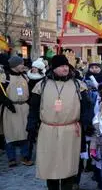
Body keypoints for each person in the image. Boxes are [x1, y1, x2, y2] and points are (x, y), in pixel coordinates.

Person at [27, 55, 93, 189]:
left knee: (69, 165)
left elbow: (86, 107)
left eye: (66, 65)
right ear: (54, 68)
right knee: (50, 164)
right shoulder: (42, 85)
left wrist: (87, 124)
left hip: (71, 131)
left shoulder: (78, 85)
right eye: (62, 66)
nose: (65, 68)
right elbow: (33, 108)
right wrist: (31, 125)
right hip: (48, 130)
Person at [2, 56, 32, 167]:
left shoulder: (25, 76)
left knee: (25, 133)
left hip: (24, 108)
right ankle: (11, 158)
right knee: (10, 134)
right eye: (21, 64)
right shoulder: (5, 77)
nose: (23, 65)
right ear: (14, 65)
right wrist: (8, 104)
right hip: (11, 109)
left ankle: (25, 157)